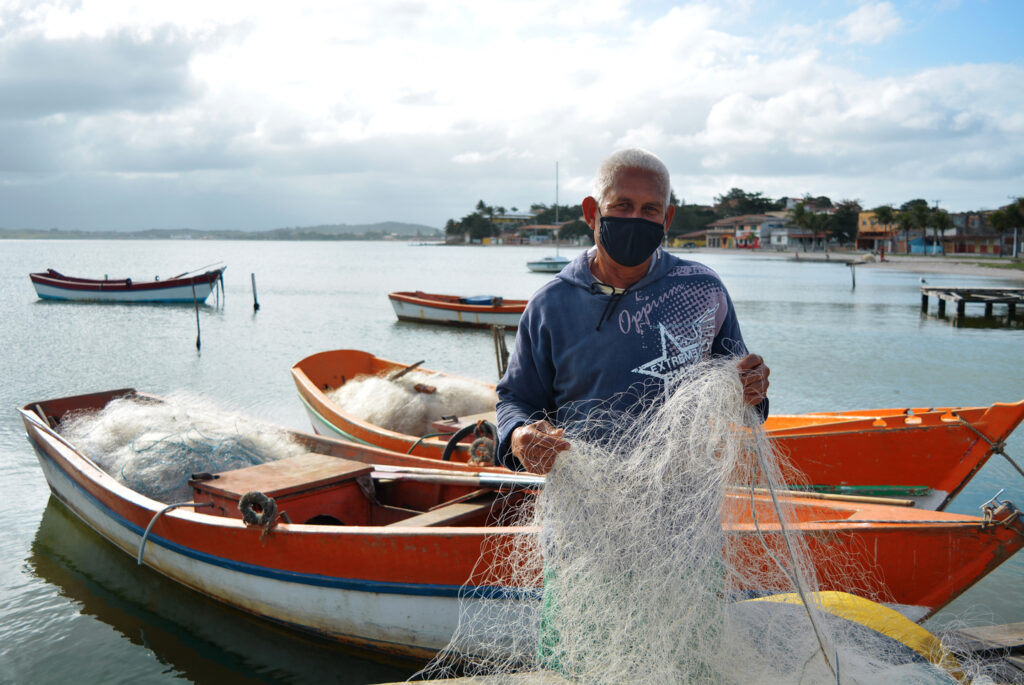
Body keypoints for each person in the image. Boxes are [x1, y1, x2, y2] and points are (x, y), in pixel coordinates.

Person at [496, 148, 770, 474]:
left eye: (649, 209)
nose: (635, 219)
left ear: (666, 219)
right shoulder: (550, 304)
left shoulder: (703, 289)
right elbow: (516, 399)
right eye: (622, 205)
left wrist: (753, 389)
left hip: (686, 508)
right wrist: (519, 435)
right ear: (591, 212)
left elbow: (742, 391)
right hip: (583, 505)